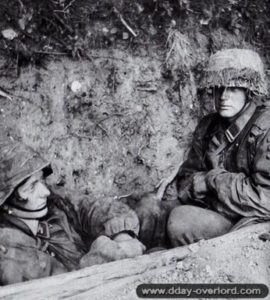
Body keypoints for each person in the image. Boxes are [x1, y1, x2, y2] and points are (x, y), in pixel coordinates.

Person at [134, 48, 270, 248]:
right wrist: (188, 187)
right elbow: (188, 176)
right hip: (209, 207)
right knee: (147, 208)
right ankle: (149, 258)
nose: (223, 96)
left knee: (182, 220)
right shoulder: (209, 125)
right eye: (218, 87)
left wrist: (211, 180)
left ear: (249, 92)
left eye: (233, 88)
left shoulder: (265, 128)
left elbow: (265, 201)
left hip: (245, 223)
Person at [0, 138, 145, 285]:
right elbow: (59, 289)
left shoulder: (53, 202)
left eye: (41, 180)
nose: (45, 192)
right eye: (31, 187)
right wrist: (100, 257)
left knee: (150, 208)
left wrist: (121, 236)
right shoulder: (9, 247)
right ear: (6, 203)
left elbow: (94, 208)